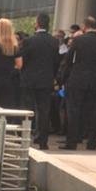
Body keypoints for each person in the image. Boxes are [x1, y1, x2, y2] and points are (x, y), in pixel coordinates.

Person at [63, 17, 96, 150]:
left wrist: (65, 78)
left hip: (77, 78)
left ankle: (72, 141)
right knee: (92, 112)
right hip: (94, 79)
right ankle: (92, 142)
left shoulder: (78, 40)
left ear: (85, 26)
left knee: (74, 110)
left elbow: (69, 59)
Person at [20, 14, 60, 149]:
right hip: (46, 79)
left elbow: (22, 60)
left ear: (37, 23)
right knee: (44, 110)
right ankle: (43, 141)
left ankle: (24, 138)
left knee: (27, 109)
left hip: (29, 79)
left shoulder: (28, 41)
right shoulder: (54, 41)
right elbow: (56, 62)